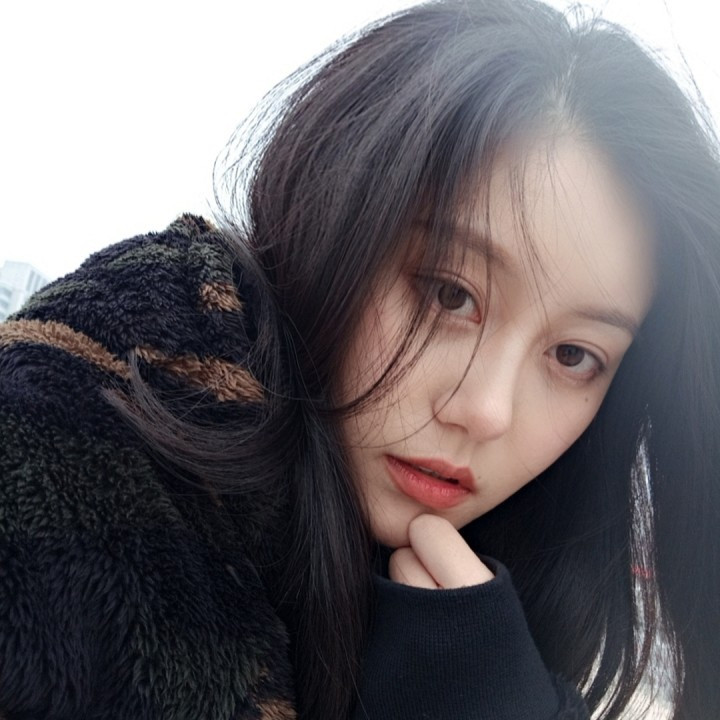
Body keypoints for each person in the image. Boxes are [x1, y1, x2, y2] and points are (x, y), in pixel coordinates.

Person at [1, 0, 718, 718]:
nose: (486, 410)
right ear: (336, 214)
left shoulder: (496, 590)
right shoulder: (83, 425)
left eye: (573, 354)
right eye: (449, 293)